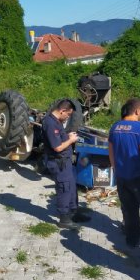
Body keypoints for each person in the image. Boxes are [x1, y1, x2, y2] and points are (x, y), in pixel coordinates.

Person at [108, 98, 140, 256]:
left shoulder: (114, 127)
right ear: (136, 111)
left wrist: (116, 170)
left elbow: (111, 152)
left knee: (129, 210)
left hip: (122, 176)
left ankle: (132, 239)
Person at [42, 99, 90, 230]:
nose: (68, 117)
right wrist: (71, 140)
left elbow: (59, 139)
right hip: (58, 162)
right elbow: (57, 147)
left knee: (72, 186)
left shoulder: (57, 122)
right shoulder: (50, 123)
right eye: (68, 115)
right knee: (65, 188)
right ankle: (64, 218)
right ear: (62, 111)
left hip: (66, 161)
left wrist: (67, 136)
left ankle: (73, 212)